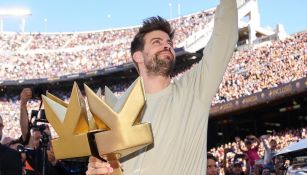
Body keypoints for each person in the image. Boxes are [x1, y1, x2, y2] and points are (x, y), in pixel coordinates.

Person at [86, 0, 238, 174]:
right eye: (157, 42)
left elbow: (225, 36)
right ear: (138, 56)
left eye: (169, 43)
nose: (167, 45)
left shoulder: (194, 91)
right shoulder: (116, 111)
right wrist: (97, 170)